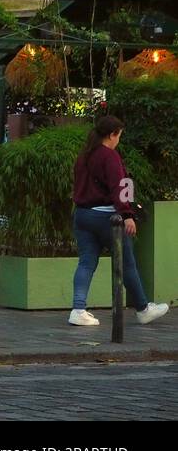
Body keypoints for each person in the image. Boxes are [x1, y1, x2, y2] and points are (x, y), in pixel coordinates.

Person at [68, 114, 169, 327]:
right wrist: (127, 215)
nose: (119, 140)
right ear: (112, 134)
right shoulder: (110, 156)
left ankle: (78, 309)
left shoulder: (84, 156)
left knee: (86, 262)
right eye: (119, 135)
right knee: (127, 263)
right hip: (107, 218)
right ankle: (143, 309)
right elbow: (121, 186)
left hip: (82, 215)